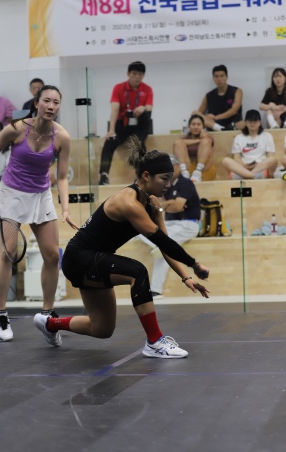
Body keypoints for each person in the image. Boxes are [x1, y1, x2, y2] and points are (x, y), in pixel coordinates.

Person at [34, 136, 210, 359]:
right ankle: (155, 341)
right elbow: (162, 241)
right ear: (146, 176)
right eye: (164, 179)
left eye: (170, 178)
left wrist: (186, 277)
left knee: (102, 329)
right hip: (79, 259)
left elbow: (166, 245)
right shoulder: (128, 203)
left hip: (95, 260)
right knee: (137, 271)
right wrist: (194, 263)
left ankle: (50, 324)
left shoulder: (153, 204)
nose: (168, 184)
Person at [0, 85, 79, 342]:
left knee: (52, 255)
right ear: (36, 103)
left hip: (40, 196)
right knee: (9, 252)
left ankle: (47, 316)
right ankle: (1, 314)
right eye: (46, 101)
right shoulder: (16, 128)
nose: (51, 106)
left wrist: (65, 208)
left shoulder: (62, 137)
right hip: (11, 195)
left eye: (56, 102)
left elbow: (62, 177)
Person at [139, 157, 201, 299]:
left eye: (172, 167)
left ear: (178, 166)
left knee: (164, 247)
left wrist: (166, 205)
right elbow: (156, 205)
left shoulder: (185, 183)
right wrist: (169, 204)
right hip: (171, 224)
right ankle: (161, 247)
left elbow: (176, 207)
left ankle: (155, 290)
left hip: (187, 224)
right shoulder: (165, 184)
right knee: (139, 229)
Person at [98, 61, 153, 185]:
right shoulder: (118, 88)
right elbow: (114, 109)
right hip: (122, 125)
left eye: (140, 74)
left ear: (143, 76)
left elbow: (149, 108)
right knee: (109, 142)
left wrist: (143, 108)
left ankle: (140, 176)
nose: (137, 77)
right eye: (134, 73)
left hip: (139, 126)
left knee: (139, 145)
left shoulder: (148, 89)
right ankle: (104, 175)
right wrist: (111, 130)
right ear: (128, 74)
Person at [222, 109, 278, 180]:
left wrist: (258, 164)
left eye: (255, 121)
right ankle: (252, 176)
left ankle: (247, 175)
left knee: (273, 160)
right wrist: (244, 165)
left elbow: (270, 156)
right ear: (245, 122)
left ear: (260, 122)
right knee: (225, 161)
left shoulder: (267, 136)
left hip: (260, 166)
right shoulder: (238, 137)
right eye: (250, 121)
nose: (252, 123)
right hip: (243, 167)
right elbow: (236, 157)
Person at [192, 65, 245, 131]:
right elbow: (197, 116)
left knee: (245, 123)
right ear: (213, 78)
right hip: (214, 127)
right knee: (195, 113)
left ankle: (224, 129)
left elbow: (234, 110)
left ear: (226, 77)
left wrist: (216, 117)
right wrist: (207, 118)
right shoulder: (208, 96)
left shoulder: (237, 91)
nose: (219, 79)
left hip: (233, 126)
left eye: (222, 76)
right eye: (216, 76)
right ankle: (220, 128)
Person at [173, 114, 216, 182]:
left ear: (203, 127)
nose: (196, 127)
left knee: (206, 141)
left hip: (204, 167)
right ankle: (184, 173)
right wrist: (198, 140)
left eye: (199, 124)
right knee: (177, 143)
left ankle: (197, 172)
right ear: (189, 126)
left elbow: (208, 142)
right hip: (188, 166)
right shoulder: (184, 139)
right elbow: (179, 142)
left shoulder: (207, 138)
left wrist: (203, 136)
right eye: (193, 124)